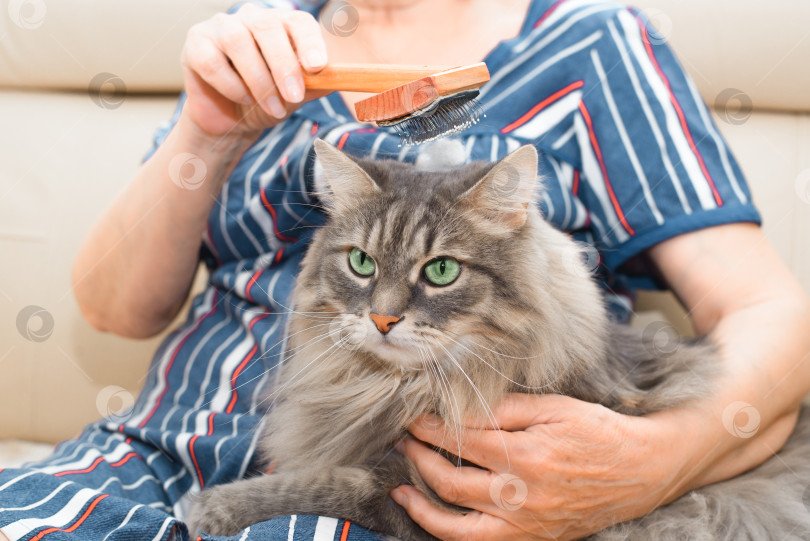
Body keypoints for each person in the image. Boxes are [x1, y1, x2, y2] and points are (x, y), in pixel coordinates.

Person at [2, 0, 809, 539]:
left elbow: (770, 310)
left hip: (400, 483)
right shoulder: (260, 36)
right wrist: (208, 133)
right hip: (159, 447)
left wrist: (657, 460)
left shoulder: (590, 42)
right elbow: (112, 307)